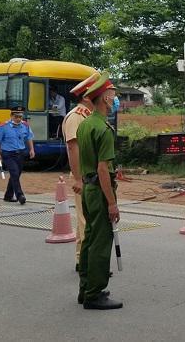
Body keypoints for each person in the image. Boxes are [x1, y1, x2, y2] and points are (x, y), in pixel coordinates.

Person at [76, 72, 122, 310]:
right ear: (104, 98)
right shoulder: (103, 130)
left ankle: (85, 288)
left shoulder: (85, 125)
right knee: (101, 242)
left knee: (90, 239)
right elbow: (103, 169)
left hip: (87, 189)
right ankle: (95, 293)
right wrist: (112, 202)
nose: (115, 99)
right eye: (113, 95)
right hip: (99, 189)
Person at [62, 72, 100, 272]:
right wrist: (78, 178)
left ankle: (82, 258)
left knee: (87, 219)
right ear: (87, 96)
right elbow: (73, 147)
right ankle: (87, 263)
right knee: (86, 220)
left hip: (91, 174)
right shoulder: (77, 117)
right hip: (84, 176)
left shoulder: (90, 116)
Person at [0, 106, 35, 205]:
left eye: (20, 117)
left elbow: (29, 138)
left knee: (16, 175)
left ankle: (8, 195)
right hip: (8, 154)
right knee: (14, 173)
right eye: (16, 116)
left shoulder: (25, 126)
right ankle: (20, 195)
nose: (18, 119)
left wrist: (32, 149)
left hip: (20, 153)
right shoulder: (3, 127)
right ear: (11, 116)